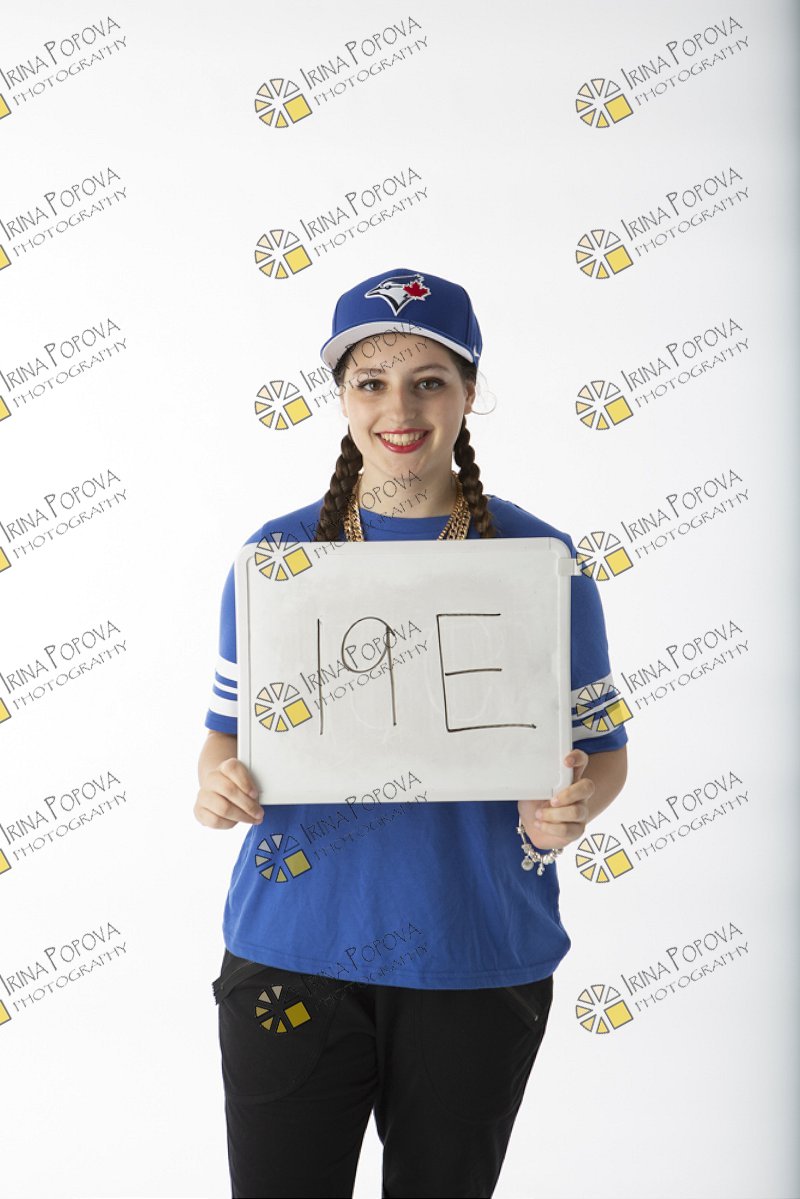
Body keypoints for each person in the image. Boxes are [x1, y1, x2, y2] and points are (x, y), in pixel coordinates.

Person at [195, 267, 629, 1199]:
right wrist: (219, 783)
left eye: (429, 380)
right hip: (292, 952)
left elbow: (602, 751)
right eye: (372, 382)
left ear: (469, 393)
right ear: (343, 398)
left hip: (473, 951)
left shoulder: (542, 562)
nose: (400, 408)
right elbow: (226, 738)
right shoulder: (276, 559)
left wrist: (573, 805)